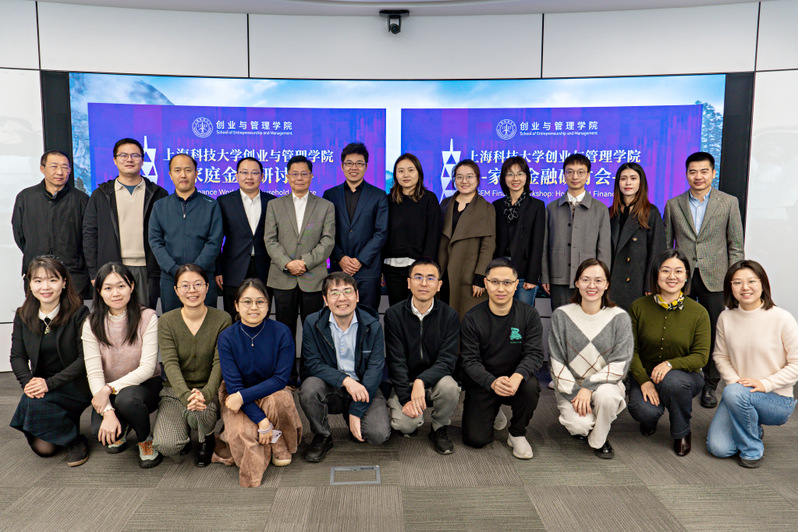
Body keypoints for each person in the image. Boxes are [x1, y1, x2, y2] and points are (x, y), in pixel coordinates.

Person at [663, 151, 744, 409]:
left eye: (704, 171)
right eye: (693, 172)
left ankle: (710, 384)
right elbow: (666, 246)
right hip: (681, 279)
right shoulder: (673, 204)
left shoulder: (728, 202)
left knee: (714, 332)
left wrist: (734, 281)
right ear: (686, 174)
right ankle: (680, 379)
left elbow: (736, 246)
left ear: (713, 173)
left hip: (716, 278)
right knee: (678, 330)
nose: (698, 176)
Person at [706, 260, 798, 468]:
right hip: (737, 394)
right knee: (719, 448)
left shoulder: (782, 318)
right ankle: (752, 426)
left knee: (734, 394)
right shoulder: (726, 317)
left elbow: (796, 363)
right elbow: (720, 356)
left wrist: (765, 384)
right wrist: (736, 383)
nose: (745, 287)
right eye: (737, 282)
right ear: (730, 287)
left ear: (763, 284)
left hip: (776, 399)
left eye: (751, 281)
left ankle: (752, 449)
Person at [213, 279, 303, 487]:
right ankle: (267, 436)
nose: (254, 307)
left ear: (268, 305)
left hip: (272, 390)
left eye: (260, 302)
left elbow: (280, 379)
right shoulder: (227, 337)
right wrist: (262, 421)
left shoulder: (282, 332)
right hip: (237, 393)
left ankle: (279, 442)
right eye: (247, 302)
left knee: (281, 401)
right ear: (236, 306)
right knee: (242, 436)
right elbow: (235, 388)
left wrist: (242, 397)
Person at [299, 272, 391, 463]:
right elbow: (313, 364)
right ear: (325, 300)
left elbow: (374, 371)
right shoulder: (313, 322)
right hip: (331, 385)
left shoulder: (372, 325)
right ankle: (322, 436)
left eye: (347, 291)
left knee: (378, 434)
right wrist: (345, 381)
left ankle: (352, 414)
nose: (342, 298)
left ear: (357, 296)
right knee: (309, 388)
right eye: (334, 293)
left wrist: (357, 412)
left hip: (363, 386)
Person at [627, 250, 711, 457]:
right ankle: (651, 419)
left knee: (672, 382)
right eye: (665, 270)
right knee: (643, 411)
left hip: (685, 377)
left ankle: (682, 431)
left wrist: (670, 364)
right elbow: (630, 350)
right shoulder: (638, 306)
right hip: (646, 375)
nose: (672, 276)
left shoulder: (699, 312)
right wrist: (644, 381)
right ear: (656, 274)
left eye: (678, 271)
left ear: (686, 276)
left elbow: (701, 357)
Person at [9, 256, 91, 467]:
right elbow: (17, 356)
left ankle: (73, 439)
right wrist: (28, 383)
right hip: (41, 385)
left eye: (52, 280)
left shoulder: (79, 313)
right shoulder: (23, 315)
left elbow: (84, 359)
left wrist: (48, 384)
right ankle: (70, 431)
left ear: (64, 283)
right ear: (30, 284)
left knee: (33, 402)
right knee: (44, 450)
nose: (45, 287)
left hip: (74, 385)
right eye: (37, 281)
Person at [548, 259, 633, 459]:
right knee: (579, 425)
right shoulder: (562, 315)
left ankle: (599, 440)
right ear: (577, 282)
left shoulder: (619, 317)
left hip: (606, 384)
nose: (591, 286)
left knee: (606, 397)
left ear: (607, 284)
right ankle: (592, 422)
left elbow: (620, 364)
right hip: (571, 386)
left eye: (598, 280)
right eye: (585, 280)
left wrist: (588, 387)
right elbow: (556, 362)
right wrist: (577, 393)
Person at [460, 258, 543, 459]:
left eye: (507, 283)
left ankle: (517, 433)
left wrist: (517, 377)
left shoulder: (529, 315)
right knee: (476, 439)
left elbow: (534, 354)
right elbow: (469, 361)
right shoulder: (472, 318)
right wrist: (491, 382)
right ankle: (494, 408)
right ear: (486, 283)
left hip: (515, 381)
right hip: (484, 382)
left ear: (515, 285)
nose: (501, 288)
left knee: (531, 386)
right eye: (495, 282)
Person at [82, 263, 162, 468]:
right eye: (108, 288)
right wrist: (108, 412)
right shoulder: (91, 323)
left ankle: (145, 440)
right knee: (101, 434)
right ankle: (124, 423)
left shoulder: (148, 317)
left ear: (131, 286)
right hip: (110, 390)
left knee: (127, 401)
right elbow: (94, 372)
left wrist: (108, 389)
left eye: (121, 286)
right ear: (99, 291)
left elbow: (147, 368)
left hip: (144, 385)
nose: (115, 293)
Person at [152, 264, 231, 466]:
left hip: (208, 390)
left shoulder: (222, 319)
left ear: (207, 287)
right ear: (176, 290)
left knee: (200, 414)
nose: (192, 290)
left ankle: (207, 438)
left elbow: (219, 362)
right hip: (175, 392)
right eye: (185, 286)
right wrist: (187, 396)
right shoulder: (167, 321)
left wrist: (205, 394)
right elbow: (170, 363)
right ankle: (184, 431)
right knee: (166, 445)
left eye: (198, 284)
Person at [264, 155, 335, 380]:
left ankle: (309, 375)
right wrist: (287, 263)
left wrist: (305, 262)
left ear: (312, 176)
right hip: (282, 277)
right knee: (284, 330)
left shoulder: (325, 206)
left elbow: (328, 240)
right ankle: (286, 376)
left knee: (312, 329)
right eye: (294, 174)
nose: (299, 178)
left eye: (304, 173)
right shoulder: (274, 205)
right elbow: (270, 240)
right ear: (287, 177)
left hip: (313, 277)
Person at [384, 258, 460, 454]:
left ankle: (439, 428)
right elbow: (396, 361)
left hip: (435, 380)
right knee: (406, 426)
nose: (424, 283)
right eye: (418, 277)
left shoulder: (450, 315)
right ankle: (409, 413)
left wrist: (421, 380)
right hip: (405, 382)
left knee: (450, 387)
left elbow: (447, 361)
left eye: (430, 278)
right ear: (409, 283)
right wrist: (405, 398)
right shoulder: (394, 314)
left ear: (439, 285)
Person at [83, 138, 168, 309]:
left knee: (144, 316)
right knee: (113, 317)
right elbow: (90, 234)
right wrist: (94, 272)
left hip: (147, 269)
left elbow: (167, 234)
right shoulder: (101, 195)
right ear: (115, 160)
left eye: (135, 155)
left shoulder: (158, 194)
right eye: (123, 155)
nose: (129, 159)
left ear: (142, 160)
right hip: (112, 268)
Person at [148, 153, 223, 312]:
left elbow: (214, 242)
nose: (183, 175)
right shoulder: (160, 206)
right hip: (171, 278)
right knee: (173, 322)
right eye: (177, 170)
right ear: (170, 175)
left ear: (196, 173)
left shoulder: (211, 205)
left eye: (188, 170)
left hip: (203, 277)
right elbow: (155, 242)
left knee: (206, 321)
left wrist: (195, 271)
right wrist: (175, 270)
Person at [12, 150, 90, 297]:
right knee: (39, 311)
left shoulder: (81, 200)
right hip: (37, 272)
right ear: (42, 169)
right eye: (54, 166)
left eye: (65, 167)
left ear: (70, 170)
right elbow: (19, 235)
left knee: (73, 311)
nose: (60, 172)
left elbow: (88, 238)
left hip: (73, 273)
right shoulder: (26, 198)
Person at [541, 153, 611, 311]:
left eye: (580, 172)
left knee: (588, 320)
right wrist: (545, 276)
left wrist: (602, 279)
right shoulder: (551, 208)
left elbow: (604, 249)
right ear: (564, 175)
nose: (575, 176)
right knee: (560, 319)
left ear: (588, 175)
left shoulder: (600, 209)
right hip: (558, 277)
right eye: (570, 172)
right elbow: (544, 245)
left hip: (589, 280)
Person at [323, 142, 388, 311]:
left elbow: (381, 233)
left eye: (359, 163)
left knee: (368, 317)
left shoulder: (378, 195)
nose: (354, 167)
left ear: (366, 166)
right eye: (349, 163)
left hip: (368, 271)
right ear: (342, 166)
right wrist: (340, 257)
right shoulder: (330, 195)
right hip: (339, 268)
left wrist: (360, 260)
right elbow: (326, 233)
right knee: (339, 315)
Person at [215, 157, 276, 318]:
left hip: (266, 269)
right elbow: (216, 239)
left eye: (254, 173)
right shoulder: (224, 202)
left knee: (262, 315)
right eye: (244, 172)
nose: (249, 177)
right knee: (233, 316)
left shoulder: (272, 202)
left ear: (262, 176)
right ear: (236, 176)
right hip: (233, 269)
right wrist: (218, 269)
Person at [439, 159, 496, 319]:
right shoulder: (445, 204)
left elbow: (488, 245)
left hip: (468, 275)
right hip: (444, 273)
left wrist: (480, 277)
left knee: (467, 320)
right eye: (459, 177)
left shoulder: (486, 207)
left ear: (477, 179)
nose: (464, 181)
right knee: (444, 319)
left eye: (469, 176)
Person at [382, 154, 442, 307]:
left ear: (419, 173)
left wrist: (425, 268)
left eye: (410, 170)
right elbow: (382, 234)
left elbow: (433, 236)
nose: (406, 175)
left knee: (418, 310)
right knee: (397, 311)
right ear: (395, 175)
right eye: (401, 171)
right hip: (391, 268)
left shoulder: (429, 199)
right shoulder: (388, 200)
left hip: (419, 270)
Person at [608, 163, 665, 310]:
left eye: (633, 178)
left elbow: (656, 252)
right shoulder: (609, 213)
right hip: (611, 282)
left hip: (637, 282)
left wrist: (650, 284)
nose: (628, 183)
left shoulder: (650, 212)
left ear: (641, 182)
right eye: (623, 179)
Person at [492, 156, 545, 306]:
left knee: (523, 314)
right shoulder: (496, 206)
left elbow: (538, 243)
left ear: (527, 177)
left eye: (520, 173)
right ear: (504, 178)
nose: (515, 178)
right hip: (500, 268)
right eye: (510, 174)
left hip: (524, 270)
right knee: (500, 311)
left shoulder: (537, 206)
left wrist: (532, 277)